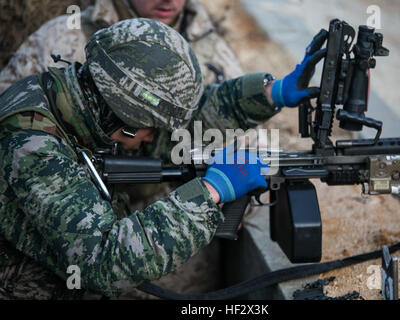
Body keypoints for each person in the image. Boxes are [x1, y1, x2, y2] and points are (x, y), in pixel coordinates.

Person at [0, 18, 326, 299]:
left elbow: (185, 122)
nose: (156, 138)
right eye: (151, 129)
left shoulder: (78, 100)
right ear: (120, 118)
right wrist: (210, 193)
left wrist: (271, 93)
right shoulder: (33, 146)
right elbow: (104, 263)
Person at [0, 0, 243, 94]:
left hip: (177, 201)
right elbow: (9, 115)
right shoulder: (64, 36)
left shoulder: (211, 51)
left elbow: (249, 145)